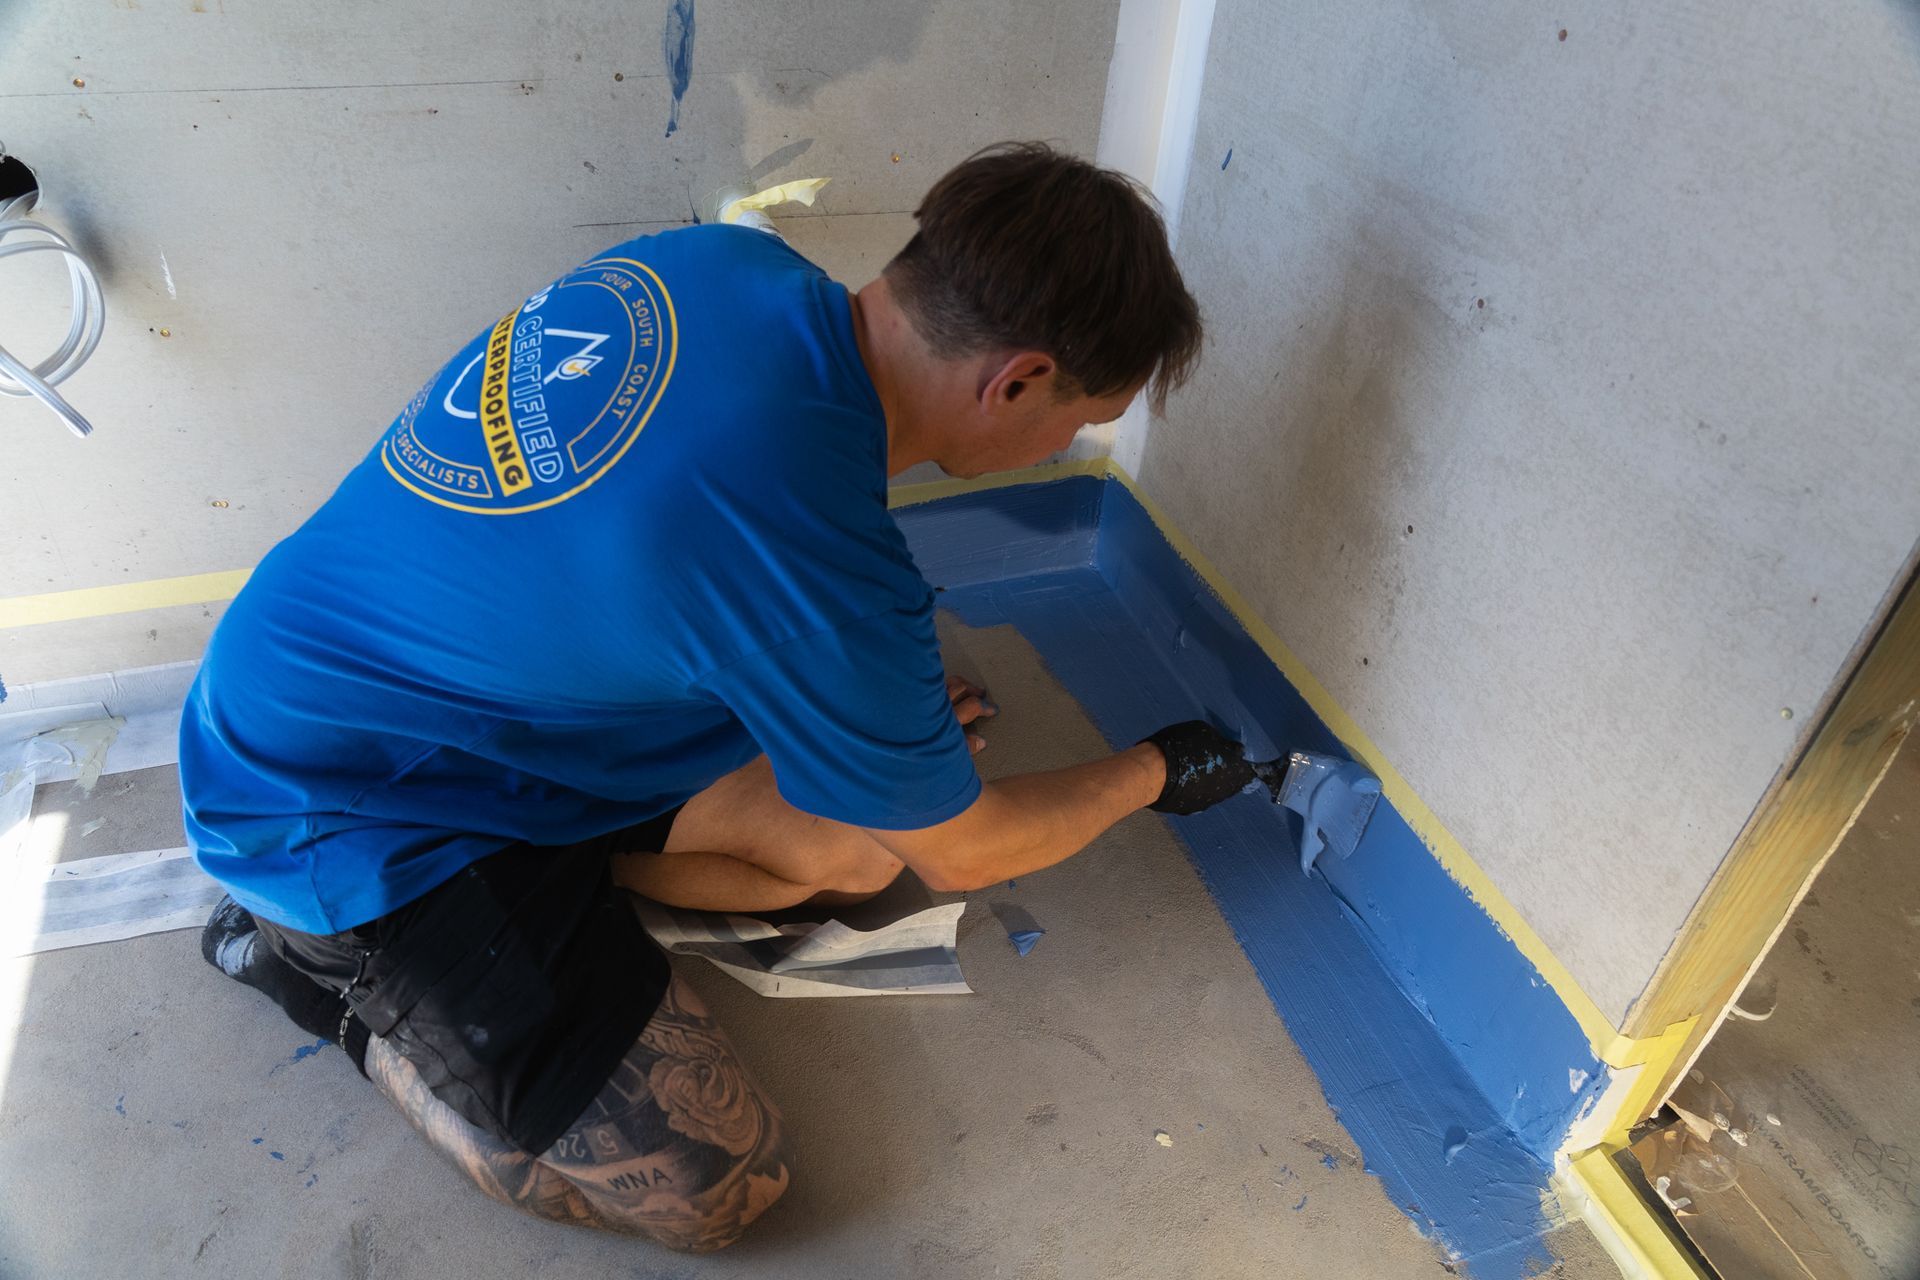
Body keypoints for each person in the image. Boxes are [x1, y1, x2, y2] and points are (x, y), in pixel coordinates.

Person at [182, 141, 1254, 1253]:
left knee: (855, 854)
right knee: (712, 1186)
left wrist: (850, 695)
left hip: (443, 697)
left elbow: (710, 560)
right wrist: (1157, 768)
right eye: (1080, 420)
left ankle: (552, 894)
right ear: (1017, 378)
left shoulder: (723, 266)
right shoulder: (812, 562)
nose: (1066, 442)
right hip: (335, 806)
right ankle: (304, 966)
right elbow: (968, 851)